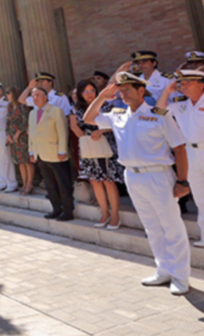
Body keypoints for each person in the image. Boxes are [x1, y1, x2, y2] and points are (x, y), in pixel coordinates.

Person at [84, 71, 190, 295]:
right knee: (151, 227)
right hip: (132, 176)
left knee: (171, 226)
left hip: (159, 175)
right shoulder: (117, 114)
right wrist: (102, 96)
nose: (122, 94)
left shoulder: (159, 115)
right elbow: (88, 119)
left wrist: (182, 181)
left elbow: (179, 148)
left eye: (127, 90)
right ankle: (163, 270)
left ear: (141, 91)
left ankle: (180, 276)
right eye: (120, 90)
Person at [158, 69, 204, 248]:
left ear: (201, 84)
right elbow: (159, 110)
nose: (183, 86)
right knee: (200, 197)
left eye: (187, 83)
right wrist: (167, 92)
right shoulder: (180, 104)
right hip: (190, 153)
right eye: (181, 83)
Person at [70, 79, 123, 230]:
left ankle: (115, 215)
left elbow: (115, 124)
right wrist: (86, 138)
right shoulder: (75, 108)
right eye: (85, 91)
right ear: (80, 93)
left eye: (92, 91)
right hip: (88, 145)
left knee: (108, 179)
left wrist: (102, 131)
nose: (89, 94)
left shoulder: (106, 105)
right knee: (94, 180)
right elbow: (74, 126)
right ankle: (104, 213)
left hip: (105, 144)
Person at [28, 86, 74, 221]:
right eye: (33, 95)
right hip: (41, 153)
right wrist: (32, 151)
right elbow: (32, 134)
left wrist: (62, 150)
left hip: (55, 154)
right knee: (50, 185)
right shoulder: (32, 113)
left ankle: (67, 211)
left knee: (63, 184)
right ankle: (56, 209)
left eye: (37, 95)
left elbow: (62, 131)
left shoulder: (55, 111)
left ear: (45, 97)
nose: (34, 98)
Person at [5, 87, 33, 194]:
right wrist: (7, 134)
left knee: (27, 160)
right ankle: (24, 182)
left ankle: (29, 184)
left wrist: (18, 133)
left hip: (22, 136)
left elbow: (25, 120)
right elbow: (7, 121)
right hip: (13, 138)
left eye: (8, 92)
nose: (6, 95)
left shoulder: (22, 106)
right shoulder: (10, 106)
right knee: (20, 161)